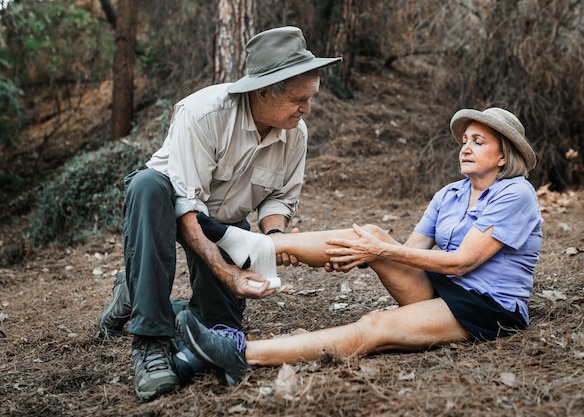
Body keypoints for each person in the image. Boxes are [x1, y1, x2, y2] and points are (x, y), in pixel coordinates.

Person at [174, 107, 544, 385]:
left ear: (502, 155)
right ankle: (261, 249)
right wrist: (364, 252)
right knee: (370, 232)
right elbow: (408, 251)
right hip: (438, 289)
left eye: (478, 142)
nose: (466, 148)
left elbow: (463, 262)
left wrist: (378, 252)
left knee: (377, 325)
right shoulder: (450, 194)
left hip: (486, 306)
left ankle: (240, 353)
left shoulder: (516, 193)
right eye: (464, 141)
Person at [97, 26, 341, 402]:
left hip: (227, 224)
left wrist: (272, 240)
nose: (306, 108)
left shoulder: (296, 133)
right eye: (298, 99)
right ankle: (150, 342)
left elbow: (278, 199)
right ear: (263, 91)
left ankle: (135, 292)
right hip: (172, 206)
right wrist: (226, 271)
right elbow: (187, 205)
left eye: (310, 97)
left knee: (220, 329)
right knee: (146, 186)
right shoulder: (203, 113)